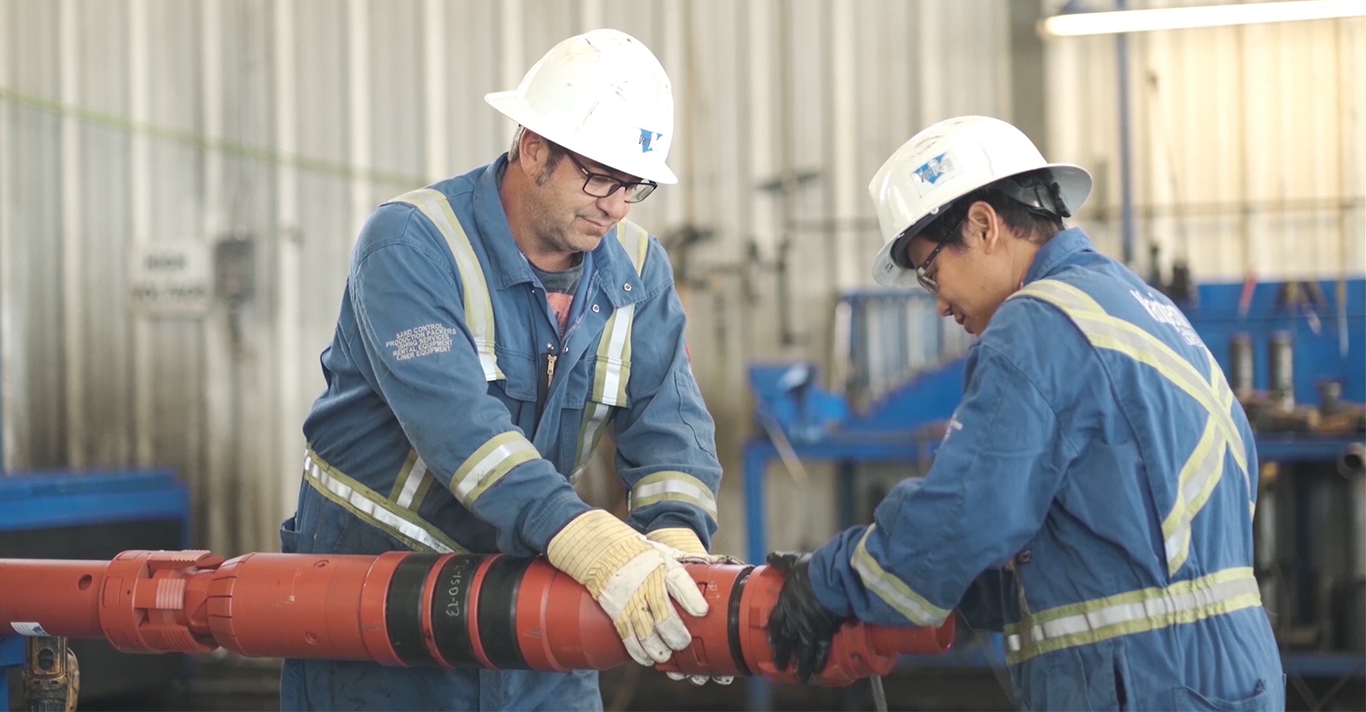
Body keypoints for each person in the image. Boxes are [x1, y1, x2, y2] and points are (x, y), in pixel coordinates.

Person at [765, 116, 1284, 710]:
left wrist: (830, 581)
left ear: (984, 225)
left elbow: (968, 513)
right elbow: (1106, 543)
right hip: (1231, 677)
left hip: (1141, 680)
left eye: (931, 269)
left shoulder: (1037, 322)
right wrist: (949, 589)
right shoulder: (1145, 311)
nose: (938, 303)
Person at [279, 29, 728, 711]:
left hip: (536, 606)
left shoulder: (637, 269)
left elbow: (669, 415)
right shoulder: (412, 245)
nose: (616, 205)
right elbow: (459, 431)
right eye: (601, 176)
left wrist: (678, 533)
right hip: (386, 612)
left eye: (634, 186)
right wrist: (583, 535)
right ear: (533, 148)